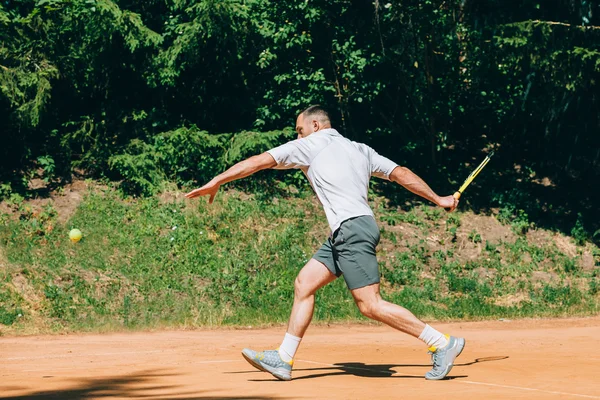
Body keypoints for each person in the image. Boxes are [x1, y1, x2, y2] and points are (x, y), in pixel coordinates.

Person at [185, 105, 465, 381]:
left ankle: (441, 343)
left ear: (315, 126)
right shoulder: (360, 149)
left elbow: (259, 161)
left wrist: (217, 181)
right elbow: (400, 172)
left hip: (351, 230)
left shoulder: (311, 144)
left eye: (299, 130)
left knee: (370, 305)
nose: (297, 137)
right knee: (304, 283)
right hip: (349, 229)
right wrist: (439, 199)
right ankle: (284, 358)